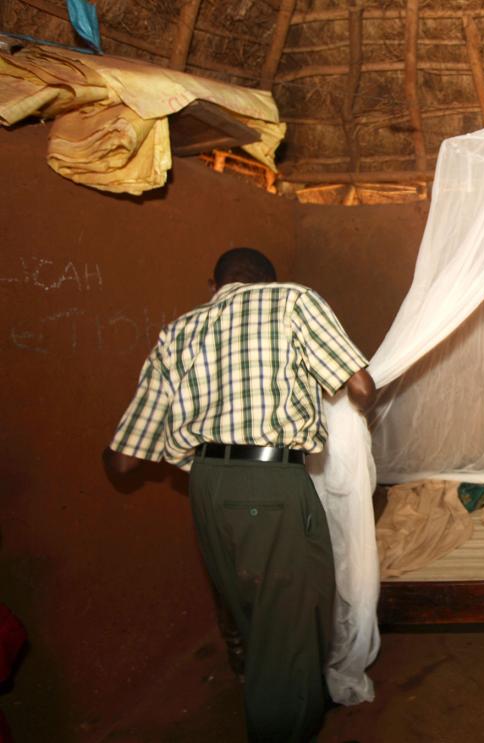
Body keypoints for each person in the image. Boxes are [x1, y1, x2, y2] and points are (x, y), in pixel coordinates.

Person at [104, 247, 375, 742]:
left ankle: (294, 702)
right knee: (289, 620)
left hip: (208, 487)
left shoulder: (178, 331)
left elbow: (122, 459)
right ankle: (282, 725)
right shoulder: (292, 300)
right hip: (268, 483)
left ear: (215, 285)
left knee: (261, 604)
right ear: (267, 280)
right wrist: (343, 404)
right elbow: (360, 384)